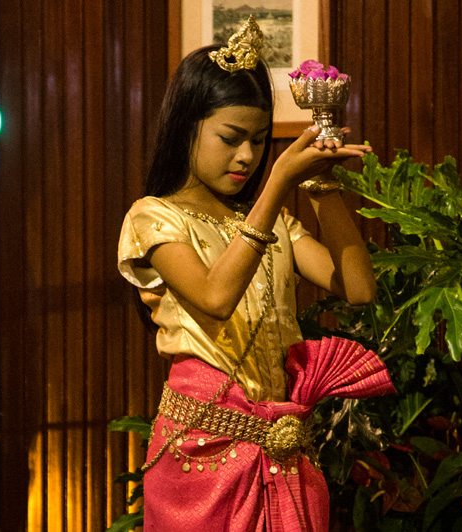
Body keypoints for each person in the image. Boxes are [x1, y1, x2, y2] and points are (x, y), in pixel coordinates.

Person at [117, 16, 381, 531]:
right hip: (201, 451)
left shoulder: (267, 220)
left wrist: (323, 187)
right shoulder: (153, 215)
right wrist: (279, 178)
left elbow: (358, 289)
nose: (247, 156)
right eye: (231, 137)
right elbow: (215, 297)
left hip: (280, 447)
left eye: (260, 141)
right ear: (187, 127)